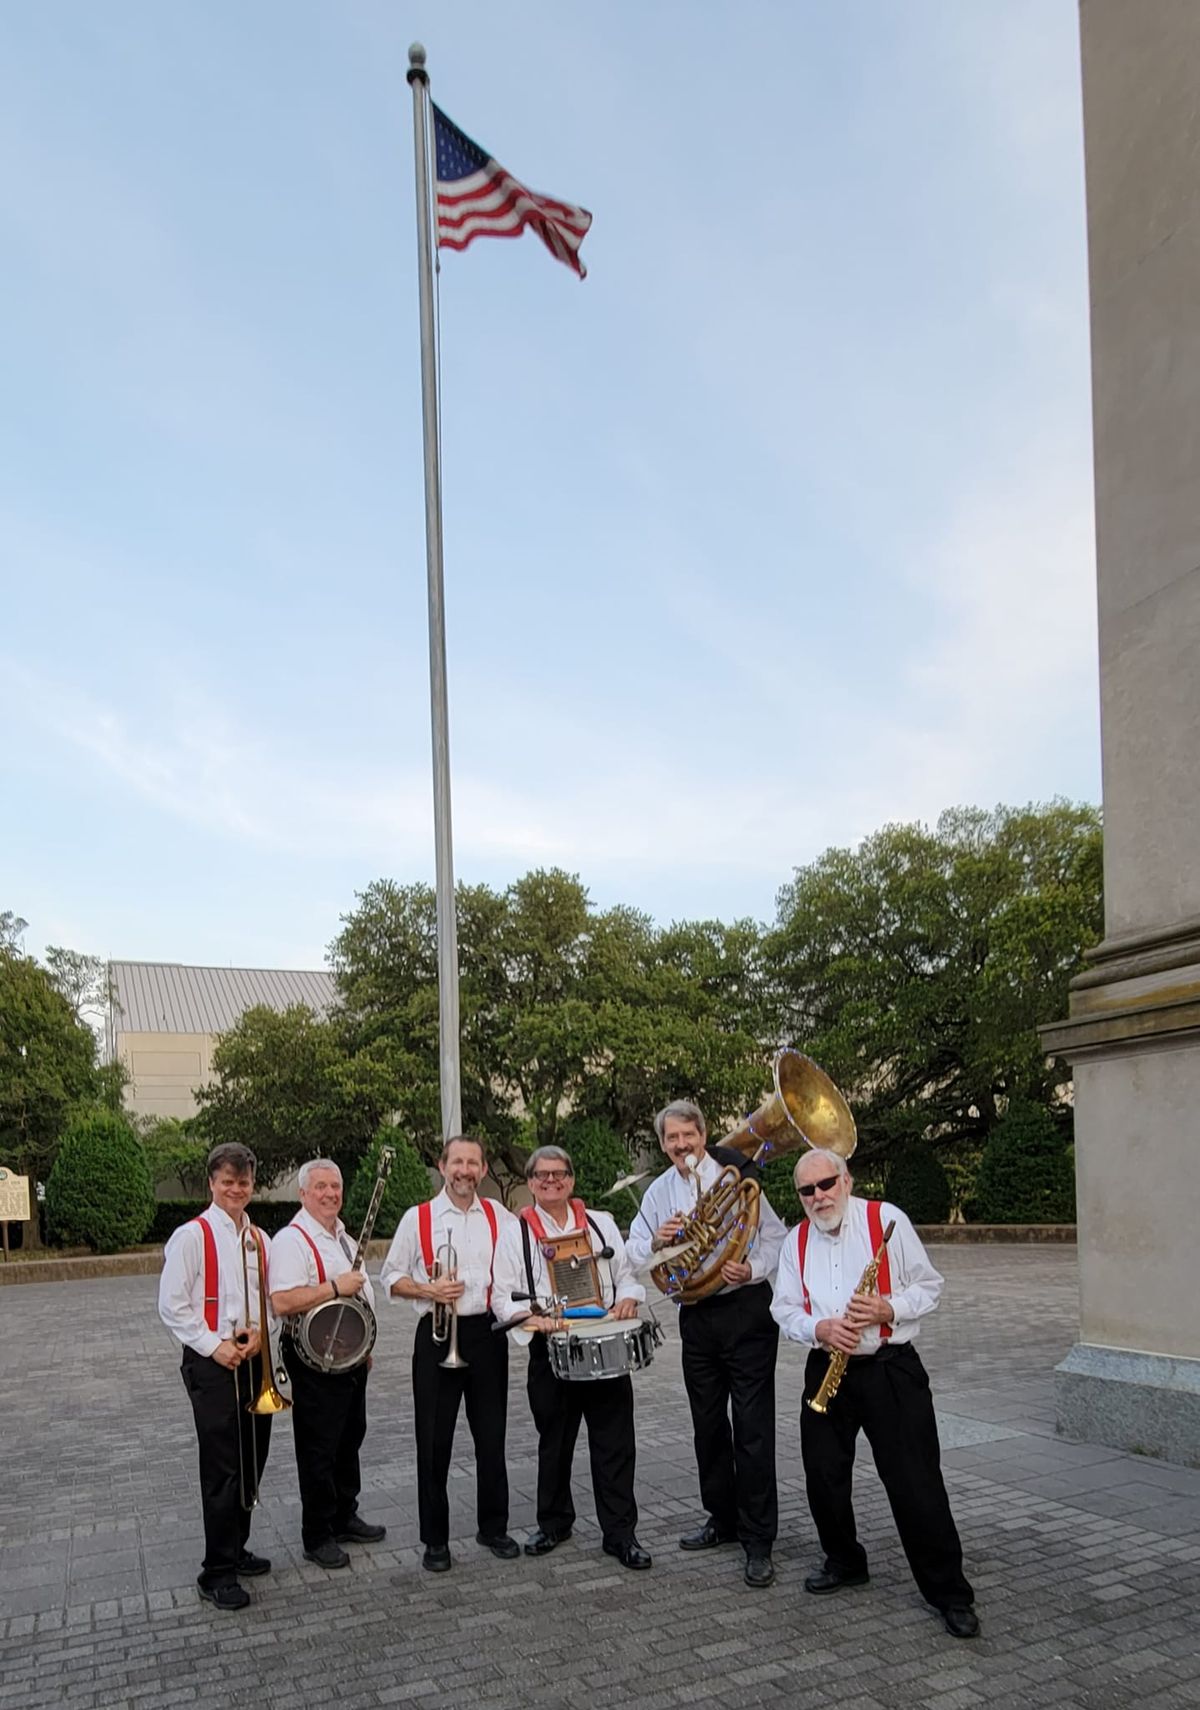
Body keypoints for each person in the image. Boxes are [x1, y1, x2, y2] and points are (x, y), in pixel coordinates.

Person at [770, 1146, 980, 1639]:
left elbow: (930, 1285)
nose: (819, 1196)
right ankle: (844, 1561)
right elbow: (783, 1309)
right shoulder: (795, 1240)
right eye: (808, 1190)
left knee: (915, 1483)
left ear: (846, 1180)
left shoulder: (886, 1220)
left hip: (890, 1370)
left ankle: (950, 1592)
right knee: (823, 1476)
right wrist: (818, 1327)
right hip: (827, 1366)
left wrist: (889, 1309)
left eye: (827, 1184)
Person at [625, 1100, 786, 1588]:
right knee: (708, 1425)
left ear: (703, 1134)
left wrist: (751, 1267)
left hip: (746, 1311)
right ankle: (723, 1518)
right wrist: (658, 1242)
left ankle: (759, 1540)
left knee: (753, 1429)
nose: (680, 1146)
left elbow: (777, 1239)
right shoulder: (658, 1193)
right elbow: (634, 1253)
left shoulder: (737, 1174)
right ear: (663, 1144)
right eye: (671, 1139)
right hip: (697, 1315)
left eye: (687, 1136)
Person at [492, 1145, 652, 1570]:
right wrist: (528, 1318)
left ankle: (620, 1534)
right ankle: (554, 1522)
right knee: (555, 1443)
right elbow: (501, 1294)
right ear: (530, 1183)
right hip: (551, 1348)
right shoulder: (515, 1233)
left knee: (615, 1445)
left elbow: (626, 1278)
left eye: (559, 1174)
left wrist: (629, 1300)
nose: (551, 1181)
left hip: (604, 1342)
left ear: (572, 1180)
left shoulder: (601, 1224)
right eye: (542, 1176)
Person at [380, 1134, 518, 1572]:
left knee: (492, 1437)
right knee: (434, 1441)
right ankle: (434, 1539)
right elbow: (391, 1277)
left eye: (473, 1163)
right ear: (442, 1167)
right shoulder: (417, 1217)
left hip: (486, 1334)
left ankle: (493, 1527)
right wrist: (428, 1288)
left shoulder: (498, 1215)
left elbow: (516, 1270)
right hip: (437, 1333)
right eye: (457, 1162)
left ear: (481, 1169)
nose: (465, 1170)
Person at [158, 1142, 275, 1611]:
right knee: (223, 1467)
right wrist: (214, 1344)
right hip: (211, 1362)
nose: (236, 1189)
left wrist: (264, 1335)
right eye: (227, 1181)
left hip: (252, 1357)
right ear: (212, 1183)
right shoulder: (191, 1236)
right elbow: (172, 1305)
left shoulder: (261, 1239)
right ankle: (217, 1571)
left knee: (252, 1460)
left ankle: (237, 1546)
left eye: (243, 1182)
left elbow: (270, 1298)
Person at [268, 1158, 387, 1569]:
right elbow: (282, 1301)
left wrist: (365, 1348)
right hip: (314, 1362)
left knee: (350, 1437)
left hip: (349, 1358)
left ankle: (343, 1515)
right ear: (303, 1194)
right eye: (320, 1187)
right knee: (319, 1448)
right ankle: (316, 1534)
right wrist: (335, 1286)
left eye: (335, 1186)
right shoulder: (292, 1240)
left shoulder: (343, 1238)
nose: (330, 1194)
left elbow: (361, 1298)